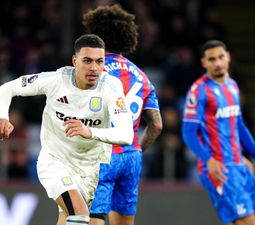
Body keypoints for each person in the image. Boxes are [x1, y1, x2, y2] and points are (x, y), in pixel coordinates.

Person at [0, 34, 134, 225]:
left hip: (89, 168)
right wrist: (2, 116)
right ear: (75, 60)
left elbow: (126, 135)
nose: (94, 68)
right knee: (80, 212)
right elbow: (6, 89)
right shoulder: (56, 80)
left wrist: (89, 132)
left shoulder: (111, 87)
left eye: (99, 62)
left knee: (71, 219)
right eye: (87, 61)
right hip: (55, 161)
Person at [82, 5, 162, 225]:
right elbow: (156, 125)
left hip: (102, 154)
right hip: (131, 156)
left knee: (93, 218)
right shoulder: (142, 76)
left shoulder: (92, 70)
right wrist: (136, 150)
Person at [182, 40, 255, 225]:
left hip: (239, 166)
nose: (218, 63)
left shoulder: (232, 86)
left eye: (221, 57)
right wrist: (209, 161)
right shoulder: (199, 91)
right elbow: (188, 132)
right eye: (212, 59)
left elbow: (238, 127)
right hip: (220, 169)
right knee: (248, 222)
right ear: (204, 63)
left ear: (228, 57)